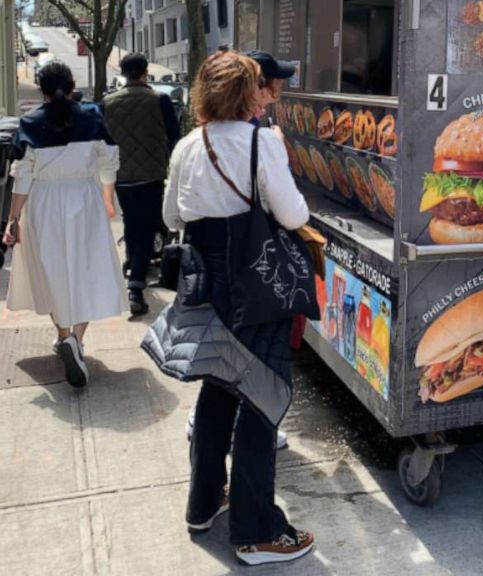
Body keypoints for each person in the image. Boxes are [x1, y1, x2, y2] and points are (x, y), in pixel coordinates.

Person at [162, 51, 314, 566]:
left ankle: (203, 505)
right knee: (261, 399)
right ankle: (256, 531)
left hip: (207, 288)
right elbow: (294, 213)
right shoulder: (260, 142)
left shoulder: (188, 144)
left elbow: (171, 214)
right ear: (250, 91)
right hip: (257, 289)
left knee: (218, 391)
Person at [1, 61, 125, 388]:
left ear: (41, 89)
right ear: (72, 85)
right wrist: (107, 196)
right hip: (84, 199)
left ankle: (63, 335)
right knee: (86, 271)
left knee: (52, 271)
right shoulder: (92, 118)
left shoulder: (29, 123)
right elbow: (109, 162)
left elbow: (22, 177)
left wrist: (13, 220)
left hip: (43, 202)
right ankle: (77, 342)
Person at [103, 52, 180, 316]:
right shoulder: (159, 99)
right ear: (145, 72)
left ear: (123, 73)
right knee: (147, 226)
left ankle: (130, 262)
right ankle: (136, 286)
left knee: (131, 220)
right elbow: (174, 136)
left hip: (121, 175)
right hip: (152, 174)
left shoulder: (108, 103)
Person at [245, 50, 295, 125]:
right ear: (261, 90)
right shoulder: (247, 121)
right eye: (277, 78)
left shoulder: (246, 114)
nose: (282, 81)